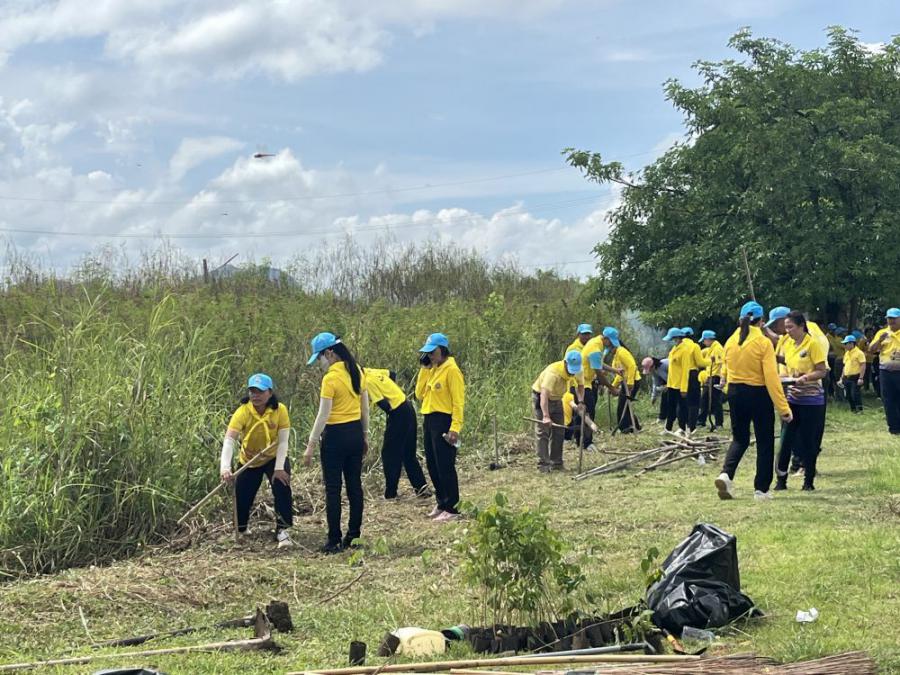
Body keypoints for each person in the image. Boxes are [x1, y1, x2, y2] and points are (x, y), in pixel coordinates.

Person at [715, 301, 792, 501]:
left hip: (735, 392)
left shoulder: (731, 341)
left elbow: (725, 369)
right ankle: (761, 489)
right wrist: (783, 408)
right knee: (765, 441)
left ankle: (726, 474)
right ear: (761, 321)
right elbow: (771, 378)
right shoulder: (763, 342)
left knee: (739, 438)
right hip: (758, 393)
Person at [304, 332, 369, 554]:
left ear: (330, 353)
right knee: (354, 486)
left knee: (333, 489)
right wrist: (364, 435)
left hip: (334, 437)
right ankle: (354, 535)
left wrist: (311, 444)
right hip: (355, 433)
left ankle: (334, 540)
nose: (320, 363)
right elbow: (364, 408)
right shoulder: (357, 371)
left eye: (320, 357)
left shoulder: (330, 379)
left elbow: (323, 415)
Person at [221, 373, 294, 548]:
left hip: (274, 456)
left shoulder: (280, 410)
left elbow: (283, 441)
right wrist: (225, 467)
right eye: (252, 391)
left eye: (260, 392)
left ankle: (283, 530)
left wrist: (279, 468)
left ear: (270, 393)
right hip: (250, 459)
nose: (256, 396)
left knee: (282, 486)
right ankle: (241, 529)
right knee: (242, 494)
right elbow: (229, 440)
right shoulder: (243, 411)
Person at [774, 311, 827, 491]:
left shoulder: (812, 344)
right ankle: (781, 480)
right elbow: (787, 363)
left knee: (808, 440)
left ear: (801, 326)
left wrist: (807, 377)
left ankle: (808, 481)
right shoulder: (788, 344)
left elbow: (822, 370)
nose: (788, 331)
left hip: (811, 400)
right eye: (786, 327)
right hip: (792, 397)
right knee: (786, 440)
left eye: (791, 327)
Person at [416, 333, 466, 521]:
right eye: (427, 353)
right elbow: (419, 394)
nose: (430, 356)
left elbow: (458, 402)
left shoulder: (452, 371)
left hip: (444, 420)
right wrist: (425, 369)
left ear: (443, 350)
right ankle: (441, 502)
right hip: (429, 418)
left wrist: (455, 428)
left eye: (433, 352)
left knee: (445, 466)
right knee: (432, 464)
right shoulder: (433, 369)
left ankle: (452, 508)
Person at [364, 367, 430, 499]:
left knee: (389, 454)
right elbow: (392, 374)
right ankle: (422, 489)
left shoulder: (366, 381)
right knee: (408, 453)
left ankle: (391, 494)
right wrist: (392, 392)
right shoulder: (370, 371)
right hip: (407, 406)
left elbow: (384, 405)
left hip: (398, 413)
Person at [532, 350, 586, 471]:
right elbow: (544, 395)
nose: (572, 373)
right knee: (543, 432)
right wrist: (546, 416)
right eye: (570, 370)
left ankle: (556, 463)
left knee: (559, 431)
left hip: (557, 399)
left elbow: (581, 386)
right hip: (541, 398)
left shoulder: (578, 370)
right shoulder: (553, 373)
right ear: (565, 363)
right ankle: (543, 465)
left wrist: (581, 402)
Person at [596, 327, 641, 433]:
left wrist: (630, 383)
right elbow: (619, 374)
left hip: (632, 381)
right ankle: (633, 426)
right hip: (624, 382)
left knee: (623, 406)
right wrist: (613, 386)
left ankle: (626, 428)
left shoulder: (622, 352)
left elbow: (632, 366)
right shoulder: (616, 355)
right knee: (624, 405)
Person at [870, 308, 900, 434]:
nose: (891, 321)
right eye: (889, 318)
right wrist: (879, 340)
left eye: (894, 318)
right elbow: (871, 349)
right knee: (888, 399)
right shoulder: (882, 333)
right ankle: (894, 427)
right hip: (886, 372)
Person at [679, 327, 709, 432]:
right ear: (692, 336)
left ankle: (682, 426)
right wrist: (710, 361)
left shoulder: (678, 346)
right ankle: (691, 426)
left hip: (680, 374)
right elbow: (700, 363)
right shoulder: (694, 346)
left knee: (682, 400)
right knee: (694, 401)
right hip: (692, 374)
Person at [697, 330, 725, 431]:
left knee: (716, 401)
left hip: (715, 377)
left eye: (704, 340)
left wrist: (722, 379)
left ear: (708, 339)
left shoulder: (717, 349)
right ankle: (701, 421)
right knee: (704, 399)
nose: (704, 343)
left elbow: (722, 364)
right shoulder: (711, 349)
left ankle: (719, 423)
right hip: (710, 376)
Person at [662, 328, 686, 433]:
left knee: (681, 408)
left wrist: (684, 388)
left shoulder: (684, 350)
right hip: (671, 383)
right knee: (670, 406)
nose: (671, 341)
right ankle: (668, 428)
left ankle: (682, 428)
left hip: (680, 384)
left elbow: (686, 370)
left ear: (678, 338)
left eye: (672, 339)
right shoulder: (673, 350)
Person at [840, 335, 866, 413]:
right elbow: (845, 366)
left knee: (855, 394)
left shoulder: (859, 353)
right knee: (848, 395)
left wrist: (861, 378)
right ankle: (853, 409)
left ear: (851, 343)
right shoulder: (847, 353)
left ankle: (859, 409)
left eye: (846, 344)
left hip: (856, 377)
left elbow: (863, 365)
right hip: (847, 377)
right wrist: (841, 378)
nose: (845, 345)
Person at [643, 356, 669, 424]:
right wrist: (654, 397)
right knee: (664, 397)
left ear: (653, 366)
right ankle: (662, 418)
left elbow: (674, 377)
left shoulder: (664, 366)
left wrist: (667, 386)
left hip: (679, 378)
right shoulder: (654, 371)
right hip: (668, 382)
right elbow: (655, 383)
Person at [863, 327, 879, 395]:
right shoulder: (862, 340)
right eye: (869, 332)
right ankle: (866, 388)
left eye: (872, 332)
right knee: (866, 375)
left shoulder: (874, 340)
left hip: (874, 361)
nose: (871, 333)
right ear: (866, 333)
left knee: (874, 375)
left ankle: (875, 389)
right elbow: (860, 350)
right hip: (866, 361)